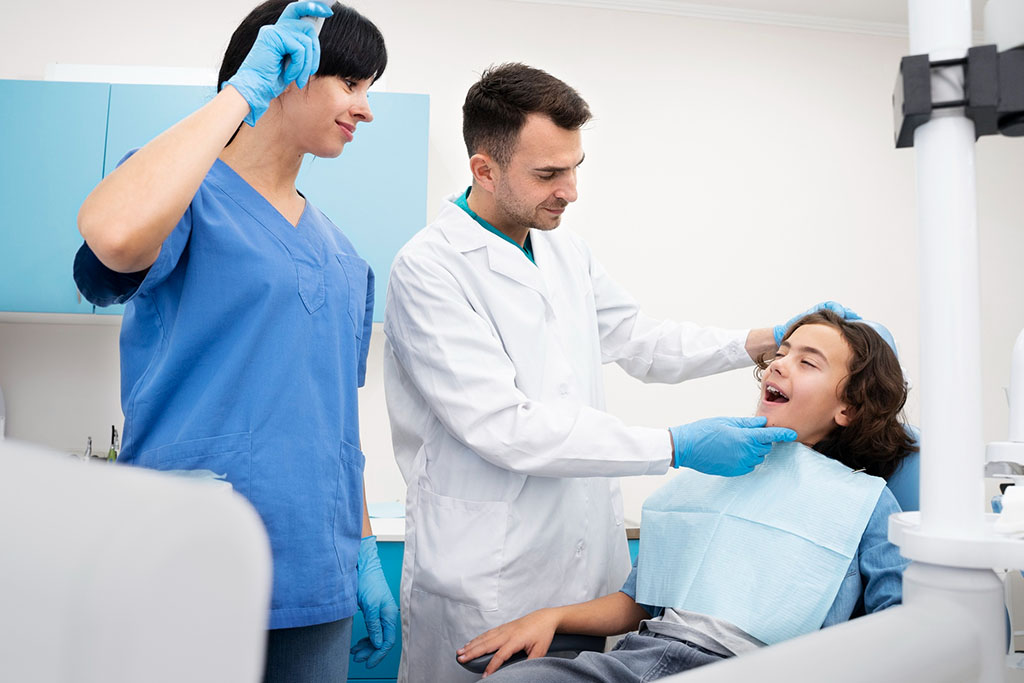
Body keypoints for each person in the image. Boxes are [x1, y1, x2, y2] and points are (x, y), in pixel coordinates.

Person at [382, 61, 859, 683]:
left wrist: (762, 340)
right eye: (549, 173)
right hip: (490, 569)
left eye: (575, 167)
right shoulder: (430, 268)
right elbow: (505, 428)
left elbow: (637, 340)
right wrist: (674, 445)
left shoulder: (561, 246)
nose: (570, 191)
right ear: (484, 169)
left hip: (585, 566)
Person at [72, 2, 398, 680]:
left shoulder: (344, 256)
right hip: (188, 556)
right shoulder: (187, 195)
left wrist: (364, 546)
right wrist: (237, 98)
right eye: (351, 83)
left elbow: (337, 415)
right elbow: (110, 235)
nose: (365, 110)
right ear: (285, 70)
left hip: (317, 569)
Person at [457, 310, 916, 681]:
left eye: (807, 361)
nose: (778, 364)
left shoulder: (865, 502)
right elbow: (639, 600)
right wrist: (551, 618)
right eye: (781, 353)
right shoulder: (711, 472)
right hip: (636, 657)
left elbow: (898, 625)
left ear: (849, 408)